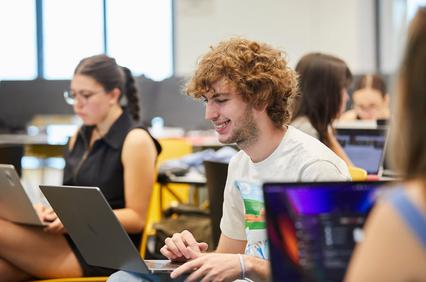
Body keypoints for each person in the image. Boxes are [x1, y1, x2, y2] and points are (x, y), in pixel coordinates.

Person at [109, 38, 350, 282]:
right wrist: (196, 259)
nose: (209, 114)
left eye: (221, 100)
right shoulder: (240, 164)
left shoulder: (315, 168)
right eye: (207, 101)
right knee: (125, 278)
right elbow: (230, 256)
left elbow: (329, 275)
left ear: (261, 97)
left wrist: (248, 265)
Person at [0, 54, 161, 280]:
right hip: (68, 238)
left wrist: (72, 220)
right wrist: (44, 212)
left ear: (113, 95)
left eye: (86, 96)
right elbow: (68, 198)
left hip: (105, 254)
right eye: (73, 95)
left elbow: (136, 219)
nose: (77, 104)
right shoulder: (79, 135)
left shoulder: (136, 140)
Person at [345, 7, 426, 281]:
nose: (366, 114)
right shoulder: (345, 126)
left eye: (373, 107)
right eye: (360, 107)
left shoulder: (406, 211)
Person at [291, 53, 353, 166]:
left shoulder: (311, 126)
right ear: (326, 93)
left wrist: (328, 133)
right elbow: (350, 177)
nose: (347, 97)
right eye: (343, 89)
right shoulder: (306, 132)